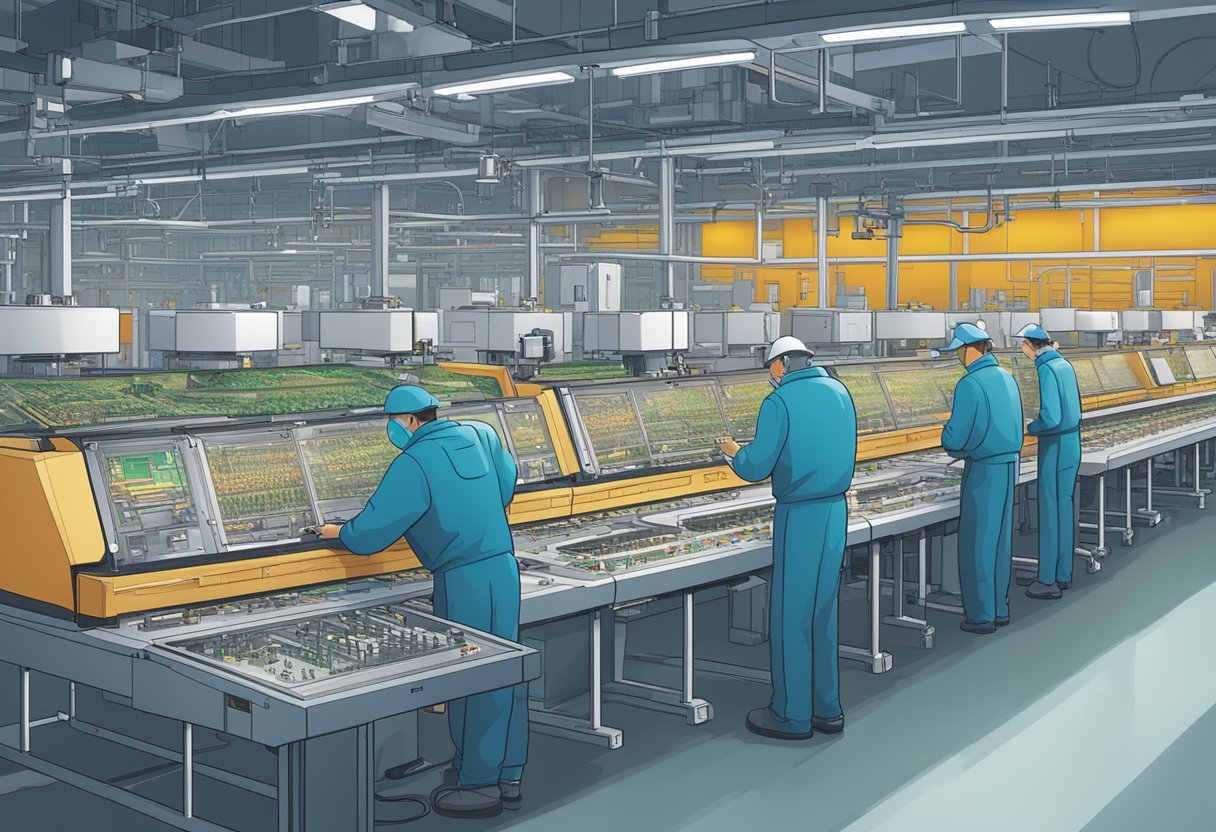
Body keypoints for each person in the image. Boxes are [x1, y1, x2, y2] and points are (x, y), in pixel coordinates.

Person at [318, 384, 527, 819]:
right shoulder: (481, 433)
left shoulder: (413, 461)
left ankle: (478, 787)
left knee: (471, 679)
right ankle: (507, 775)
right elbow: (506, 486)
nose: (392, 430)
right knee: (506, 670)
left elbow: (370, 534)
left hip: (461, 576)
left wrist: (336, 532)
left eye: (392, 422)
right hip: (503, 567)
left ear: (408, 421)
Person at [717, 336, 858, 741]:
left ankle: (791, 715)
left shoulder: (778, 402)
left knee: (790, 614)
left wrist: (732, 451)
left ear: (780, 365)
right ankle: (827, 709)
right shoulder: (839, 390)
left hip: (799, 513)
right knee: (822, 611)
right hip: (835, 509)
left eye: (770, 369)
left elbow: (757, 464)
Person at [939, 323, 1024, 634]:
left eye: (959, 351)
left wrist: (945, 436)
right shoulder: (1007, 377)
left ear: (968, 349)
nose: (958, 357)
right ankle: (1000, 607)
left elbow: (956, 436)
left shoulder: (970, 384)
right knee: (1000, 541)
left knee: (977, 542)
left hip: (983, 469)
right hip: (1009, 465)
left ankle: (981, 615)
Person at [1016, 323, 1082, 600]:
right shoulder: (1064, 364)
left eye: (1022, 345)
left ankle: (1046, 580)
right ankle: (1063, 574)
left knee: (1049, 511)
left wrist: (1030, 427)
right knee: (1064, 509)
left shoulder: (1045, 368)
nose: (1021, 350)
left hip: (1054, 445)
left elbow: (1051, 417)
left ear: (1031, 345)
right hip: (1072, 443)